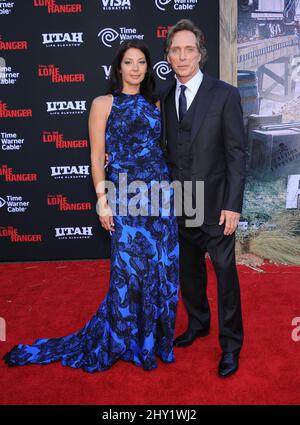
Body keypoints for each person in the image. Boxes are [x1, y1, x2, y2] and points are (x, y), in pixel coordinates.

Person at [2, 40, 179, 373]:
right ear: (119, 67)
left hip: (160, 195)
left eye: (142, 62)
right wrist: (102, 201)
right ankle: (125, 338)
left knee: (160, 269)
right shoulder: (103, 103)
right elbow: (97, 156)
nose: (136, 68)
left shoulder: (156, 102)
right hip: (125, 196)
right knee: (128, 273)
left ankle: (154, 339)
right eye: (129, 62)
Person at [160, 19, 246, 378]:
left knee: (225, 274)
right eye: (175, 50)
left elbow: (237, 154)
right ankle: (198, 323)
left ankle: (230, 345)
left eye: (189, 49)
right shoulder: (164, 98)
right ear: (168, 56)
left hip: (216, 205)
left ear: (200, 53)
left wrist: (233, 205)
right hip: (181, 202)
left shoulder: (225, 94)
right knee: (188, 271)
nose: (182, 56)